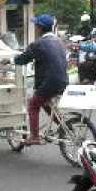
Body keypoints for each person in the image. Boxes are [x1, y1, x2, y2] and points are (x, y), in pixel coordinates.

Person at [11, 14, 68, 146]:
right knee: (45, 102)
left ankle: (35, 136)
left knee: (33, 105)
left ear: (40, 28)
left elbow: (22, 59)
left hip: (50, 82)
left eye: (36, 26)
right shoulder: (58, 41)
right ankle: (65, 126)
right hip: (63, 81)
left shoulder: (39, 44)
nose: (35, 28)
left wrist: (9, 60)